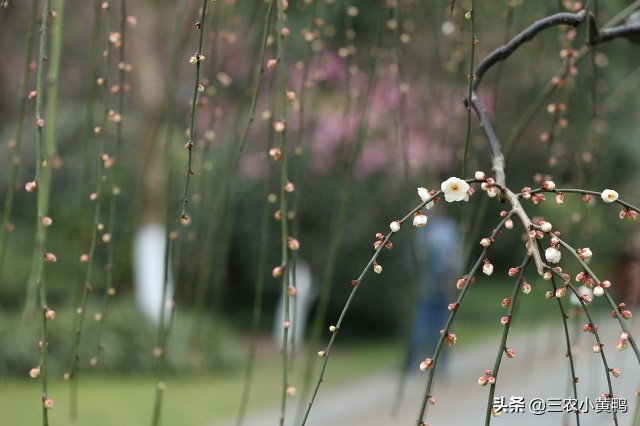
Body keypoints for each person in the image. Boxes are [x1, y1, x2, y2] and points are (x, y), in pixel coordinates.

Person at [407, 215, 462, 371]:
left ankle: (438, 361)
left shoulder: (442, 231)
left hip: (436, 289)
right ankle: (428, 361)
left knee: (437, 326)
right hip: (430, 289)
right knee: (428, 326)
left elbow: (453, 258)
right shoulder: (437, 231)